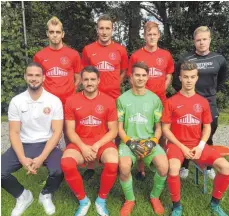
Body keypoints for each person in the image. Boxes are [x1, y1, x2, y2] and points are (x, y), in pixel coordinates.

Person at [162, 61, 229, 216]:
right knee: (173, 169)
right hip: (176, 144)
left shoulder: (202, 102)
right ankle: (177, 206)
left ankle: (215, 204)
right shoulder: (171, 102)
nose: (189, 80)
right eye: (186, 77)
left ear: (197, 78)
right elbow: (165, 129)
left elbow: (207, 127)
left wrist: (200, 146)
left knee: (225, 167)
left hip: (197, 145)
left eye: (192, 77)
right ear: (180, 78)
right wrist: (182, 147)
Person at [1, 62, 64, 216]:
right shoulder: (17, 101)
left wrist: (41, 158)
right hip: (23, 144)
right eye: (30, 75)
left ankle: (46, 194)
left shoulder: (54, 100)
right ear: (25, 77)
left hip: (46, 144)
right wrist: (23, 159)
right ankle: (23, 195)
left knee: (60, 169)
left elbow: (57, 132)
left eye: (37, 75)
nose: (34, 78)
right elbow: (14, 133)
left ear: (43, 77)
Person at [60, 66, 119, 216]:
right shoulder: (72, 101)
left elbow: (113, 130)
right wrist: (84, 147)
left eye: (93, 79)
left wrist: (97, 145)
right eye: (86, 79)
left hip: (102, 142)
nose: (89, 82)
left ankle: (101, 199)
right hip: (80, 141)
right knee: (66, 163)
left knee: (113, 163)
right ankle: (83, 200)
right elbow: (70, 130)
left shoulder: (109, 101)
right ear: (81, 81)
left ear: (99, 80)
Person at [172, 26, 228, 179]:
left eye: (204, 39)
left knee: (208, 133)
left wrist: (212, 92)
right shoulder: (186, 59)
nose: (202, 42)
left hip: (209, 102)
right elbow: (177, 79)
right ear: (194, 41)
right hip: (189, 102)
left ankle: (208, 165)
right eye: (198, 40)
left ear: (209, 40)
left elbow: (222, 79)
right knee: (186, 131)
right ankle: (184, 164)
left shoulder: (219, 59)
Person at [117, 62, 168, 216]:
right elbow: (118, 128)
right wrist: (129, 142)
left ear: (148, 77)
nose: (140, 78)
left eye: (144, 75)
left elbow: (158, 127)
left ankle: (154, 197)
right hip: (128, 142)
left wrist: (153, 142)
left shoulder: (155, 100)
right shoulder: (122, 99)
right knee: (124, 167)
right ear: (131, 77)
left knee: (164, 167)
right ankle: (130, 199)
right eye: (137, 75)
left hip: (148, 141)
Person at [81, 14, 128, 179]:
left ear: (112, 30)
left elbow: (124, 71)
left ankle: (112, 163)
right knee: (93, 127)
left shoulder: (120, 50)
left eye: (108, 28)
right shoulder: (88, 49)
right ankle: (91, 165)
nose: (104, 31)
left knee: (113, 130)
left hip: (114, 97)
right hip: (93, 97)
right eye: (101, 28)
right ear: (97, 29)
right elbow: (86, 73)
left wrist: (115, 83)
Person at [127, 21, 174, 180]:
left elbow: (168, 75)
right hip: (140, 100)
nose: (152, 37)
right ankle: (141, 169)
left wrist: (162, 89)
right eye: (149, 34)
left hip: (160, 100)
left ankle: (157, 162)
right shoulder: (136, 55)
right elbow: (130, 77)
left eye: (154, 34)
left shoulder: (165, 55)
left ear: (159, 35)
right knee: (140, 130)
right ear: (144, 36)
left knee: (160, 131)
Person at [34, 16, 81, 105]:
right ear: (47, 33)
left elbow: (78, 78)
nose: (55, 35)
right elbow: (37, 79)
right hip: (47, 103)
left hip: (68, 103)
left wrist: (71, 93)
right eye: (52, 32)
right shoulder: (39, 56)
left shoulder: (73, 55)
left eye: (58, 32)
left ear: (62, 34)